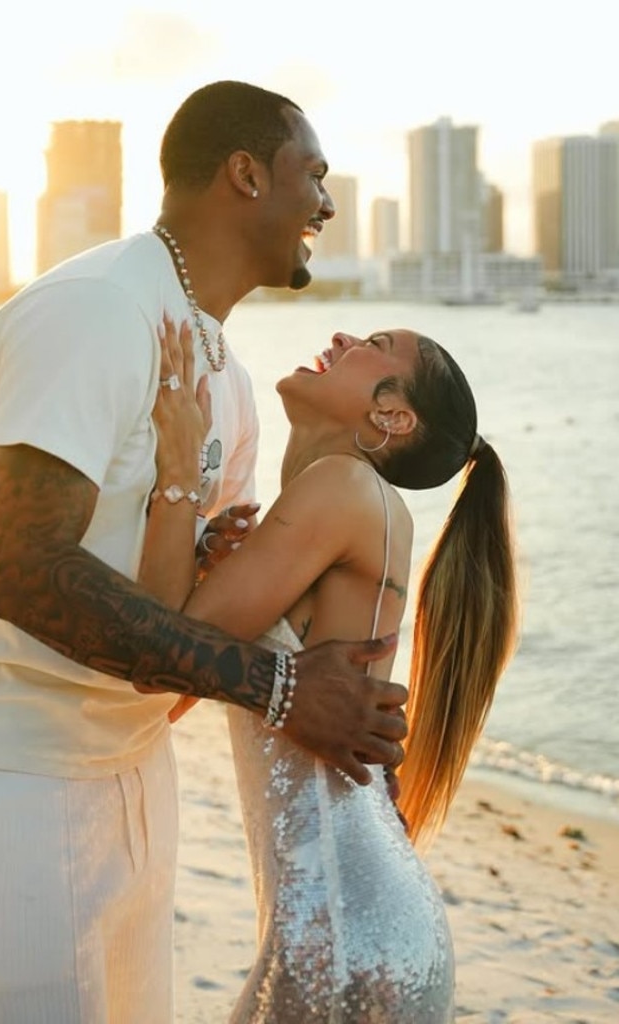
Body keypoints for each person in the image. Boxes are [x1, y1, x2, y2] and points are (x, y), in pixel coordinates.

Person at [0, 81, 409, 1024]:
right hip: (5, 765)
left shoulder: (229, 380)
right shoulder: (95, 311)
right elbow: (23, 570)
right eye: (313, 175)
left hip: (124, 761)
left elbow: (183, 613)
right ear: (245, 175)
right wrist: (282, 690)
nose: (327, 204)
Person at [141, 318, 519, 1023]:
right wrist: (202, 560)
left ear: (392, 415)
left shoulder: (343, 489)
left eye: (377, 344)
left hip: (341, 934)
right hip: (363, 921)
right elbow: (179, 682)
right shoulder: (345, 503)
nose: (345, 336)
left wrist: (179, 464)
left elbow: (158, 661)